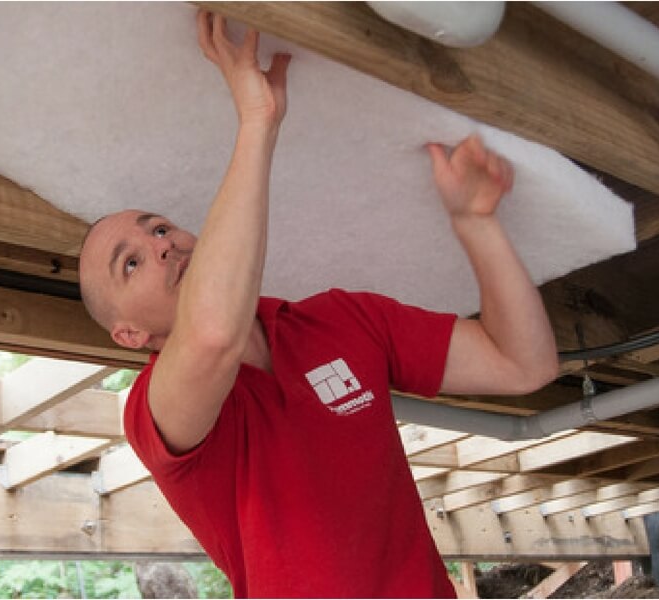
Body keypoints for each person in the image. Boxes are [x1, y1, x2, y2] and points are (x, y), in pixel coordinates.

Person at [79, 10, 559, 598]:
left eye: (161, 229)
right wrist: (257, 119)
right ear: (128, 334)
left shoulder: (342, 321)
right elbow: (211, 335)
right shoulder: (153, 412)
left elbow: (523, 364)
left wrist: (475, 222)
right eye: (129, 263)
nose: (161, 246)